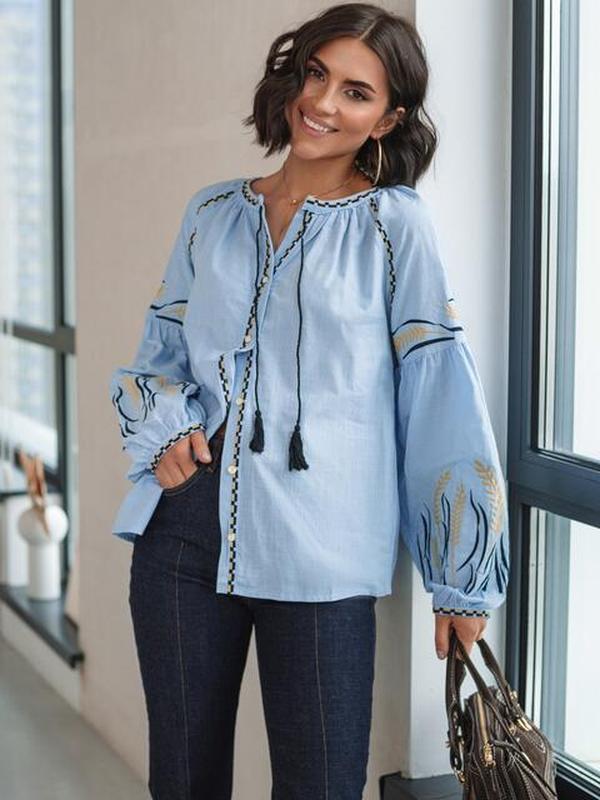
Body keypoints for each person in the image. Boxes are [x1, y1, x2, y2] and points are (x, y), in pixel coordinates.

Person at [109, 4, 510, 798]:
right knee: (181, 782)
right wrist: (167, 430)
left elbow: (438, 393)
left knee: (320, 785)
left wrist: (462, 580)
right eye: (316, 75)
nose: (322, 103)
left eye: (356, 92)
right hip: (184, 537)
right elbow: (160, 352)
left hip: (324, 553)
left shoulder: (395, 226)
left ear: (387, 119)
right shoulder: (212, 213)